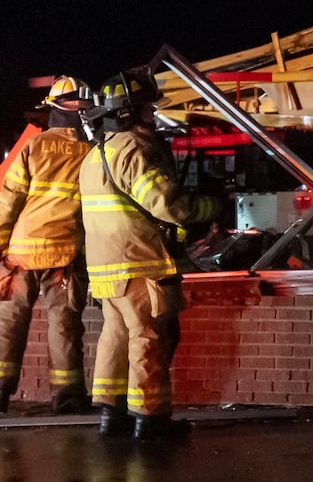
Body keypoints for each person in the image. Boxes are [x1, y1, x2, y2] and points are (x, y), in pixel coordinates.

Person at [80, 71, 219, 441]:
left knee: (115, 337)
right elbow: (167, 205)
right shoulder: (134, 151)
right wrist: (211, 206)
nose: (152, 116)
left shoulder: (95, 155)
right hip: (139, 264)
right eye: (146, 109)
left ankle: (113, 416)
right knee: (148, 339)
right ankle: (150, 420)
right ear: (130, 112)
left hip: (106, 269)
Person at [0, 76, 96, 414]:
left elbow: (9, 198)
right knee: (64, 325)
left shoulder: (33, 147)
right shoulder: (91, 153)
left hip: (21, 252)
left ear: (53, 108)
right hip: (65, 255)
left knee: (9, 322)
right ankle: (68, 396)